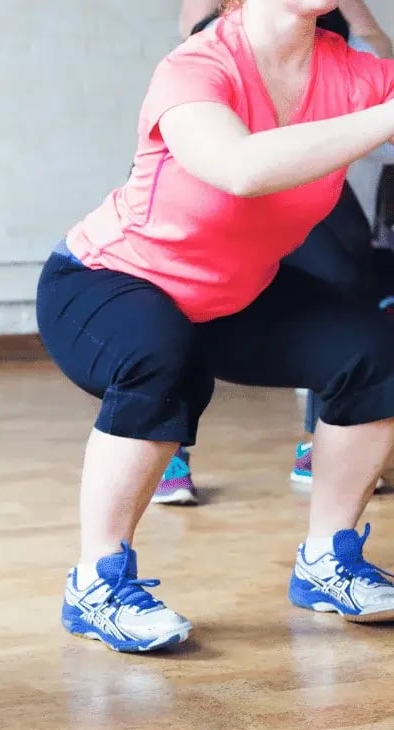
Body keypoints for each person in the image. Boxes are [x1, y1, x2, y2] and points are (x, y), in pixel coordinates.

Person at [37, 0, 394, 654]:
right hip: (106, 280)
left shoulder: (355, 76)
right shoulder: (196, 67)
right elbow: (241, 168)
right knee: (159, 352)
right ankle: (96, 583)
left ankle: (327, 562)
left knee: (373, 349)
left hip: (233, 293)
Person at [153, 0, 394, 504]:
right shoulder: (214, 47)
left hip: (304, 177)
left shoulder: (334, 21)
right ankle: (167, 447)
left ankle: (320, 443)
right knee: (180, 303)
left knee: (349, 289)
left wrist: (358, 15)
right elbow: (195, 34)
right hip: (226, 175)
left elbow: (381, 72)